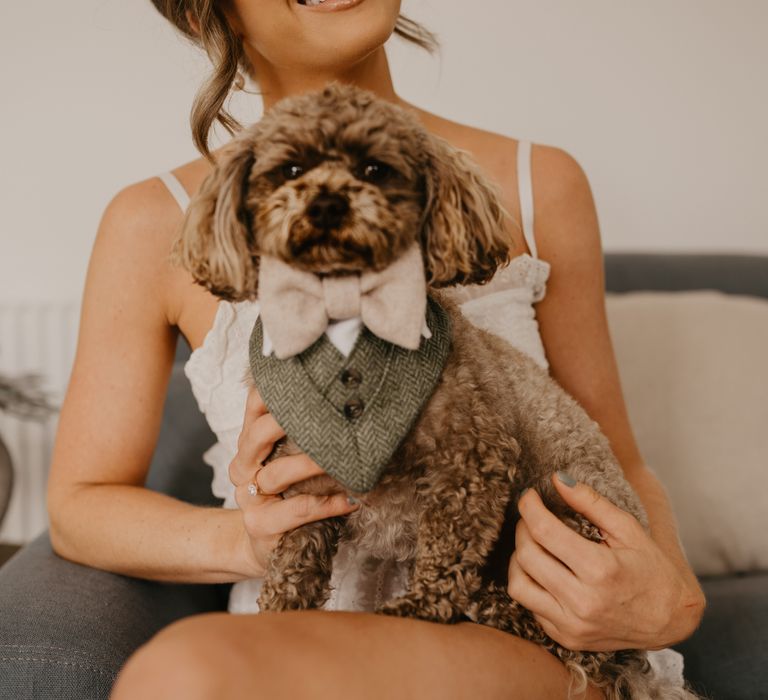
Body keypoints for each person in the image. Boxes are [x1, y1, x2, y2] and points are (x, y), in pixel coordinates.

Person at [45, 1, 706, 698]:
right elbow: (79, 506)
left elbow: (617, 456)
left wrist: (676, 596)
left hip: (516, 633)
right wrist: (242, 540)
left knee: (186, 675)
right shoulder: (150, 221)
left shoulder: (541, 183)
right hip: (294, 636)